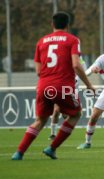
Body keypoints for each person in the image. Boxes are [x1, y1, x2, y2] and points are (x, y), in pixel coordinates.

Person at [11, 12, 95, 160]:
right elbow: (76, 64)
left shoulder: (41, 41)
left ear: (52, 25)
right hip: (63, 86)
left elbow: (38, 70)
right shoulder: (72, 40)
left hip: (43, 86)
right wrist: (88, 85)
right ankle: (52, 148)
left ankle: (19, 152)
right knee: (75, 114)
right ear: (68, 26)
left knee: (40, 120)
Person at [48, 57, 87, 141]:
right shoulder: (63, 59)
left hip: (73, 90)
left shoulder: (81, 62)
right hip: (62, 88)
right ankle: (53, 134)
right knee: (56, 110)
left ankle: (63, 132)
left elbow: (84, 73)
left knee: (72, 114)